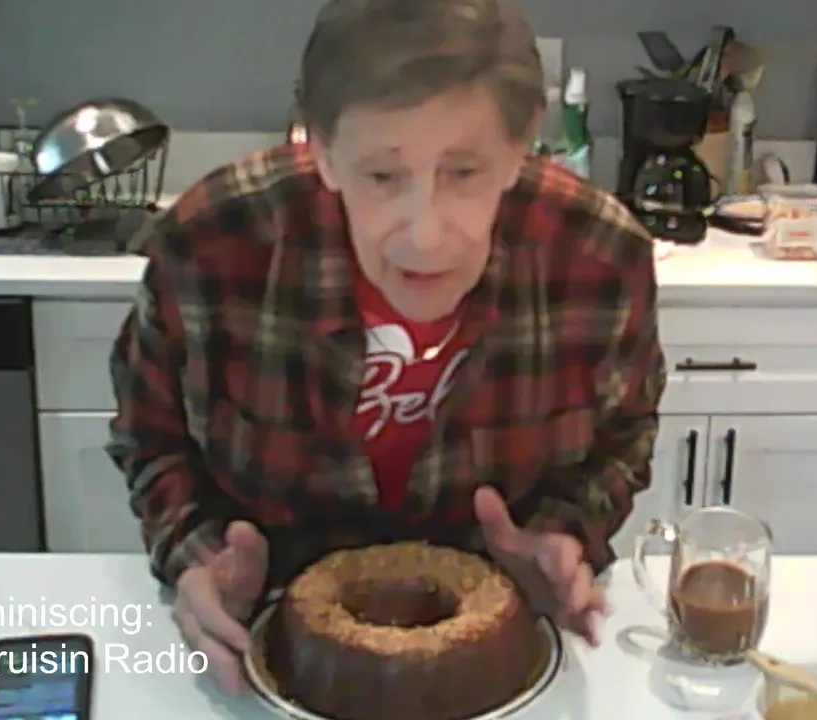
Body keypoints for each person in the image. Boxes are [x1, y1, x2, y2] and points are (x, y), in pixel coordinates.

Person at [107, 0, 666, 695]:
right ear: (322, 149)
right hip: (265, 652)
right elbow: (150, 435)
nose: (425, 234)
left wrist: (563, 533)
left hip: (505, 655)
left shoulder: (599, 257)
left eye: (464, 173)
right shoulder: (213, 245)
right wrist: (199, 558)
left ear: (521, 144)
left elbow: (624, 433)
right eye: (381, 176)